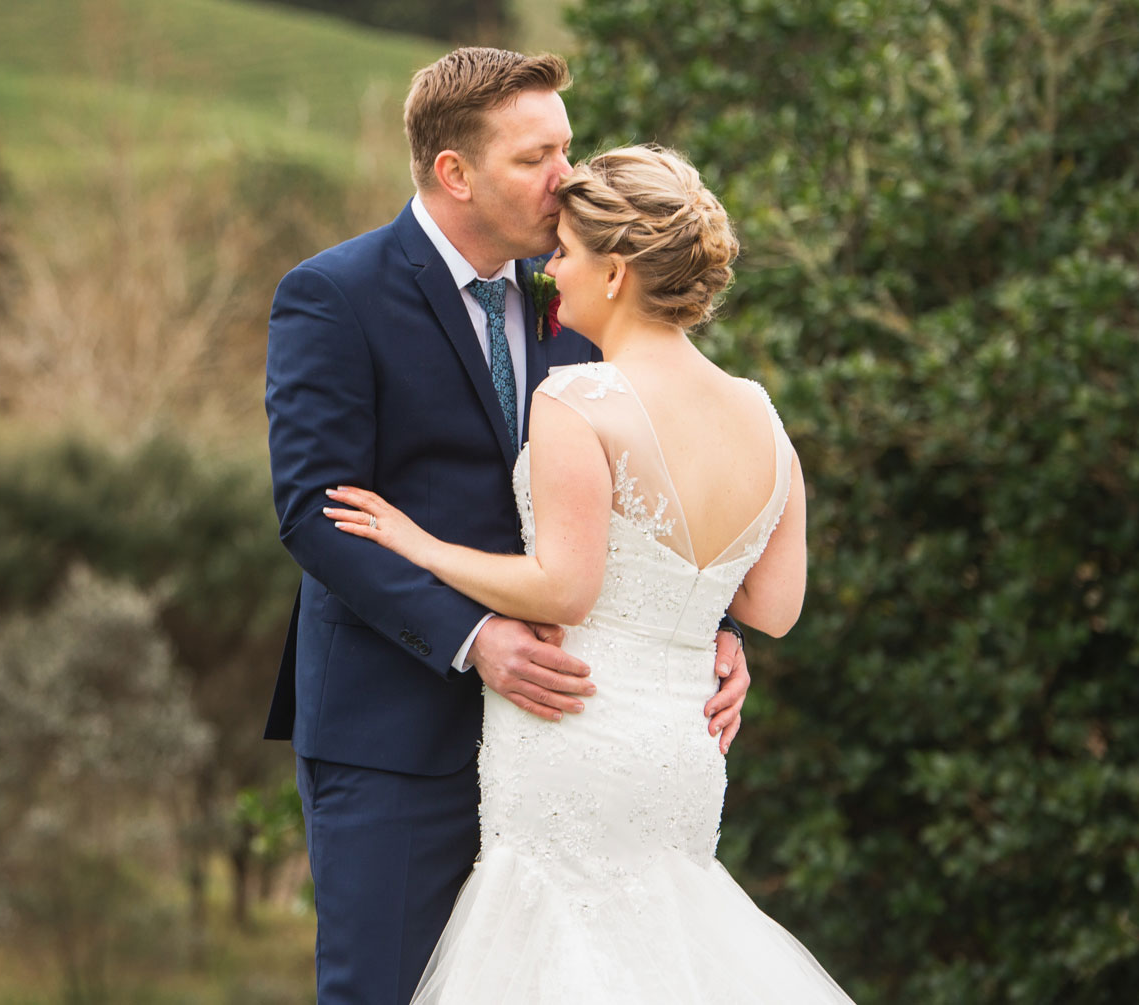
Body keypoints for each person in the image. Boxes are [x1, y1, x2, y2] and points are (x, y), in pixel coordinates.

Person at [262, 50, 751, 1005]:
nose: (567, 176)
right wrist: (472, 638)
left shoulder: (584, 294)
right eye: (537, 157)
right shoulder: (334, 295)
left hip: (566, 748)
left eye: (566, 146)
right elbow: (315, 512)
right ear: (456, 173)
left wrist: (709, 625)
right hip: (397, 728)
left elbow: (646, 481)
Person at [321, 144, 855, 1003]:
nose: (549, 272)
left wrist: (418, 543)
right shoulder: (760, 411)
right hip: (682, 752)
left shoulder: (577, 400)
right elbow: (774, 606)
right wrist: (699, 621)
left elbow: (564, 588)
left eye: (564, 253)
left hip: (572, 728)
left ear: (614, 274)